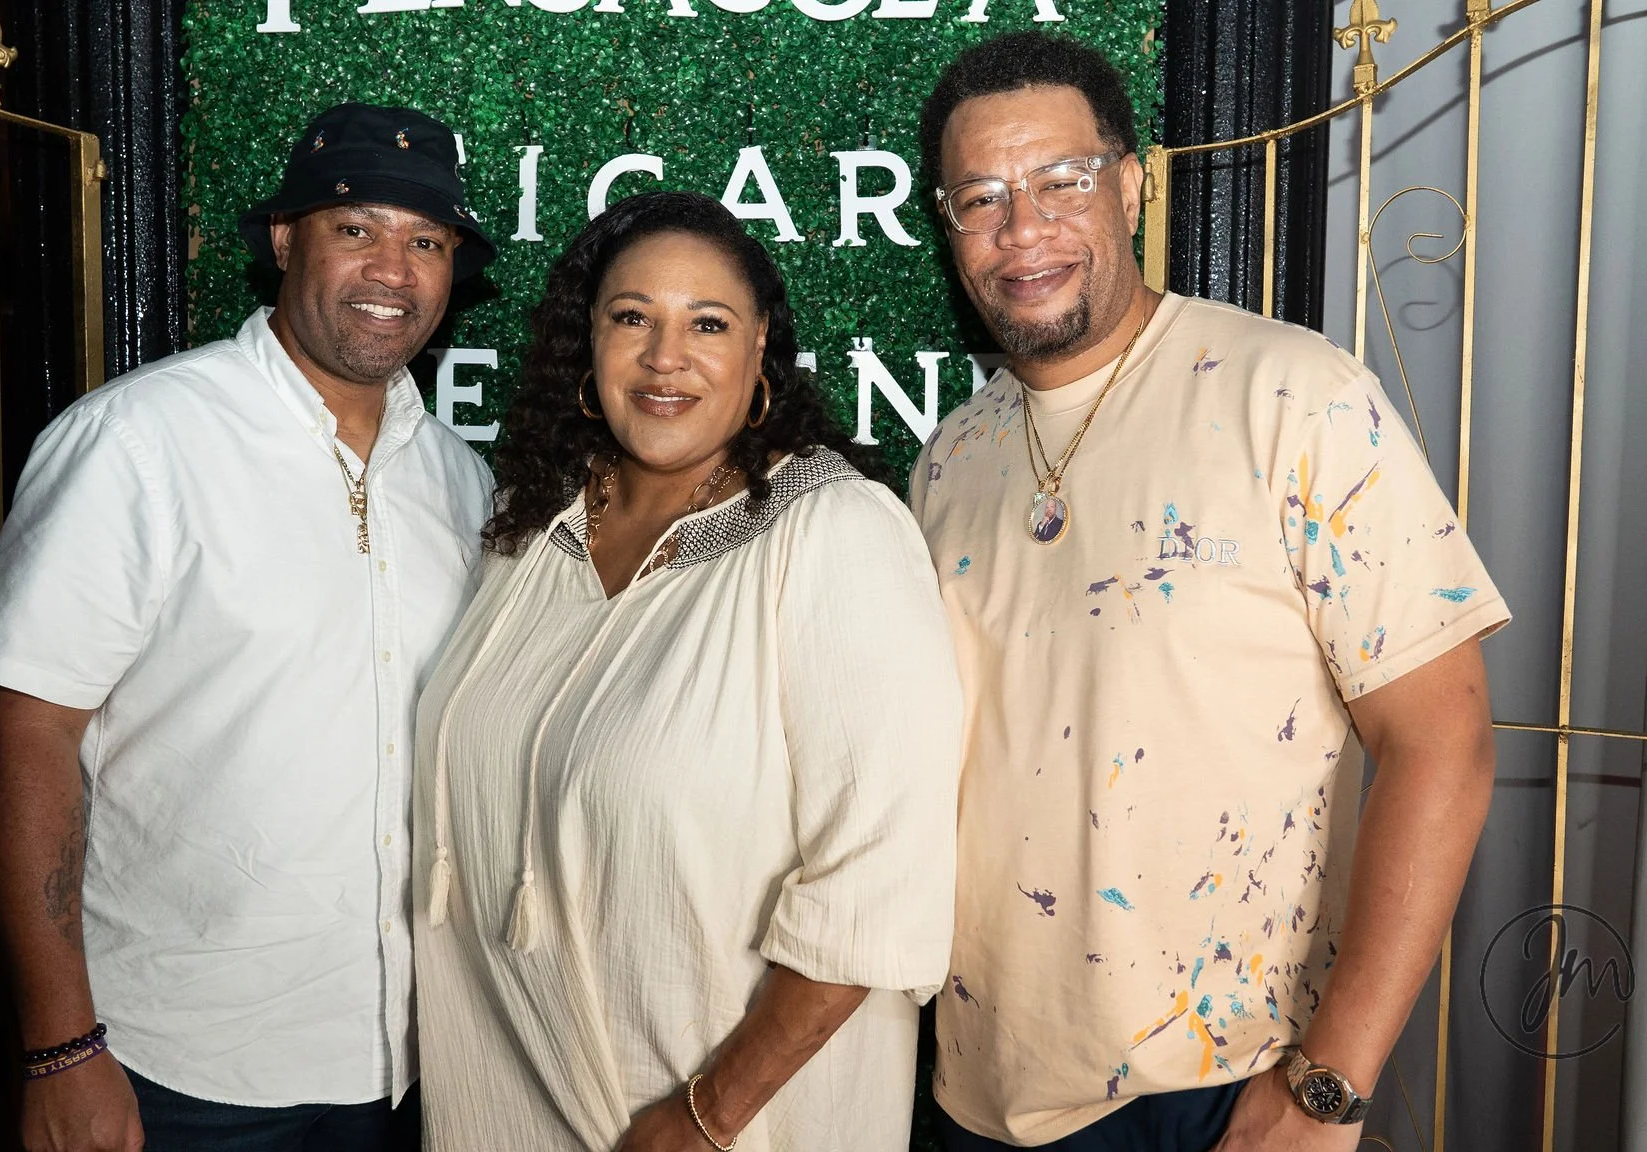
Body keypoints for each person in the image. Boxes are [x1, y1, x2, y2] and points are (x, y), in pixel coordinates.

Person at [908, 32, 1510, 1152]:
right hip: (968, 1093)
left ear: (1129, 186)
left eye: (1060, 181)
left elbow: (1444, 746)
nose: (1022, 229)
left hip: (1219, 1095)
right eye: (980, 198)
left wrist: (1325, 1087)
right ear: (947, 227)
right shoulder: (949, 457)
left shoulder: (1293, 395)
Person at [0, 102, 496, 1152]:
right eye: (356, 228)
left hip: (408, 1064)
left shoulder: (462, 481)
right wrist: (60, 1047)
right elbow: (25, 736)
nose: (393, 268)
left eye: (425, 241)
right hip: (175, 1063)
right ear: (286, 240)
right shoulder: (139, 441)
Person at [408, 190, 962, 1152]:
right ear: (589, 349)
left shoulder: (831, 533)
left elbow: (881, 879)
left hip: (731, 1124)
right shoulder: (532, 529)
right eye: (633, 319)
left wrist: (706, 1117)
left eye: (708, 324)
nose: (666, 358)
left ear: (759, 361)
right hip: (504, 1102)